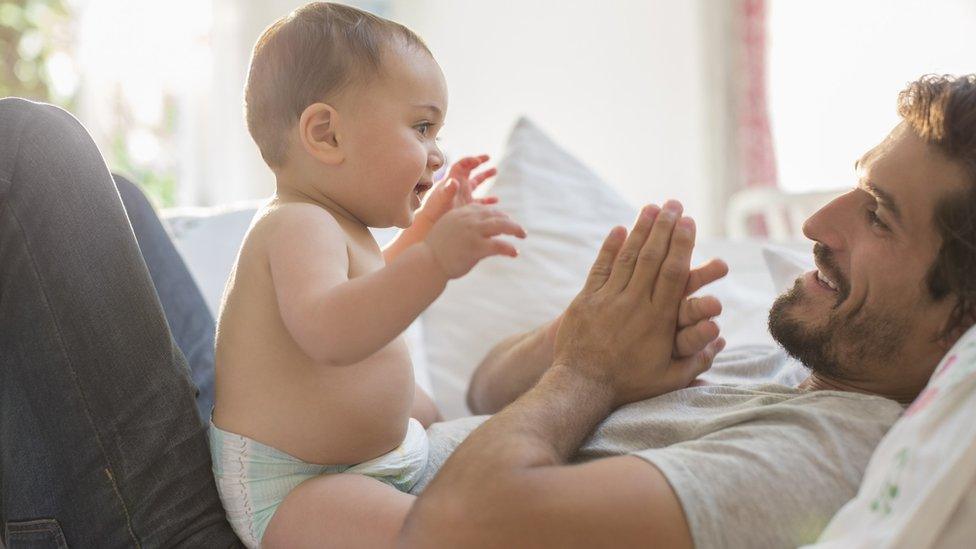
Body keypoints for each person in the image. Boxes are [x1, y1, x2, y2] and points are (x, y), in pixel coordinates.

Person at [1, 61, 973, 546]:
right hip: (305, 456)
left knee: (31, 158)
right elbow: (484, 386)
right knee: (115, 208)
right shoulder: (788, 354)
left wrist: (590, 374)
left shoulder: (828, 458)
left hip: (284, 524)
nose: (819, 222)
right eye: (854, 184)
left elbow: (458, 531)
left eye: (879, 217)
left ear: (955, 320)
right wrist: (582, 339)